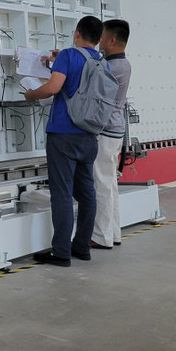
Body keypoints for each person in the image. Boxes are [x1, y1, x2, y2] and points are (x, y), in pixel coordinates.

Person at [22, 15, 105, 266]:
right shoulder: (102, 62)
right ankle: (82, 246)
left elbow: (53, 88)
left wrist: (31, 94)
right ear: (98, 39)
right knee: (87, 193)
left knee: (62, 193)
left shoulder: (69, 55)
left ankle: (61, 252)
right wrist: (58, 62)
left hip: (63, 134)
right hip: (89, 133)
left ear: (77, 33)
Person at [91, 19, 132, 250]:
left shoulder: (111, 67)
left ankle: (101, 237)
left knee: (102, 184)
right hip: (114, 130)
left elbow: (88, 80)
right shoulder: (122, 64)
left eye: (102, 37)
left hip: (106, 131)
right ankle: (113, 233)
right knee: (110, 183)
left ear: (112, 40)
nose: (99, 42)